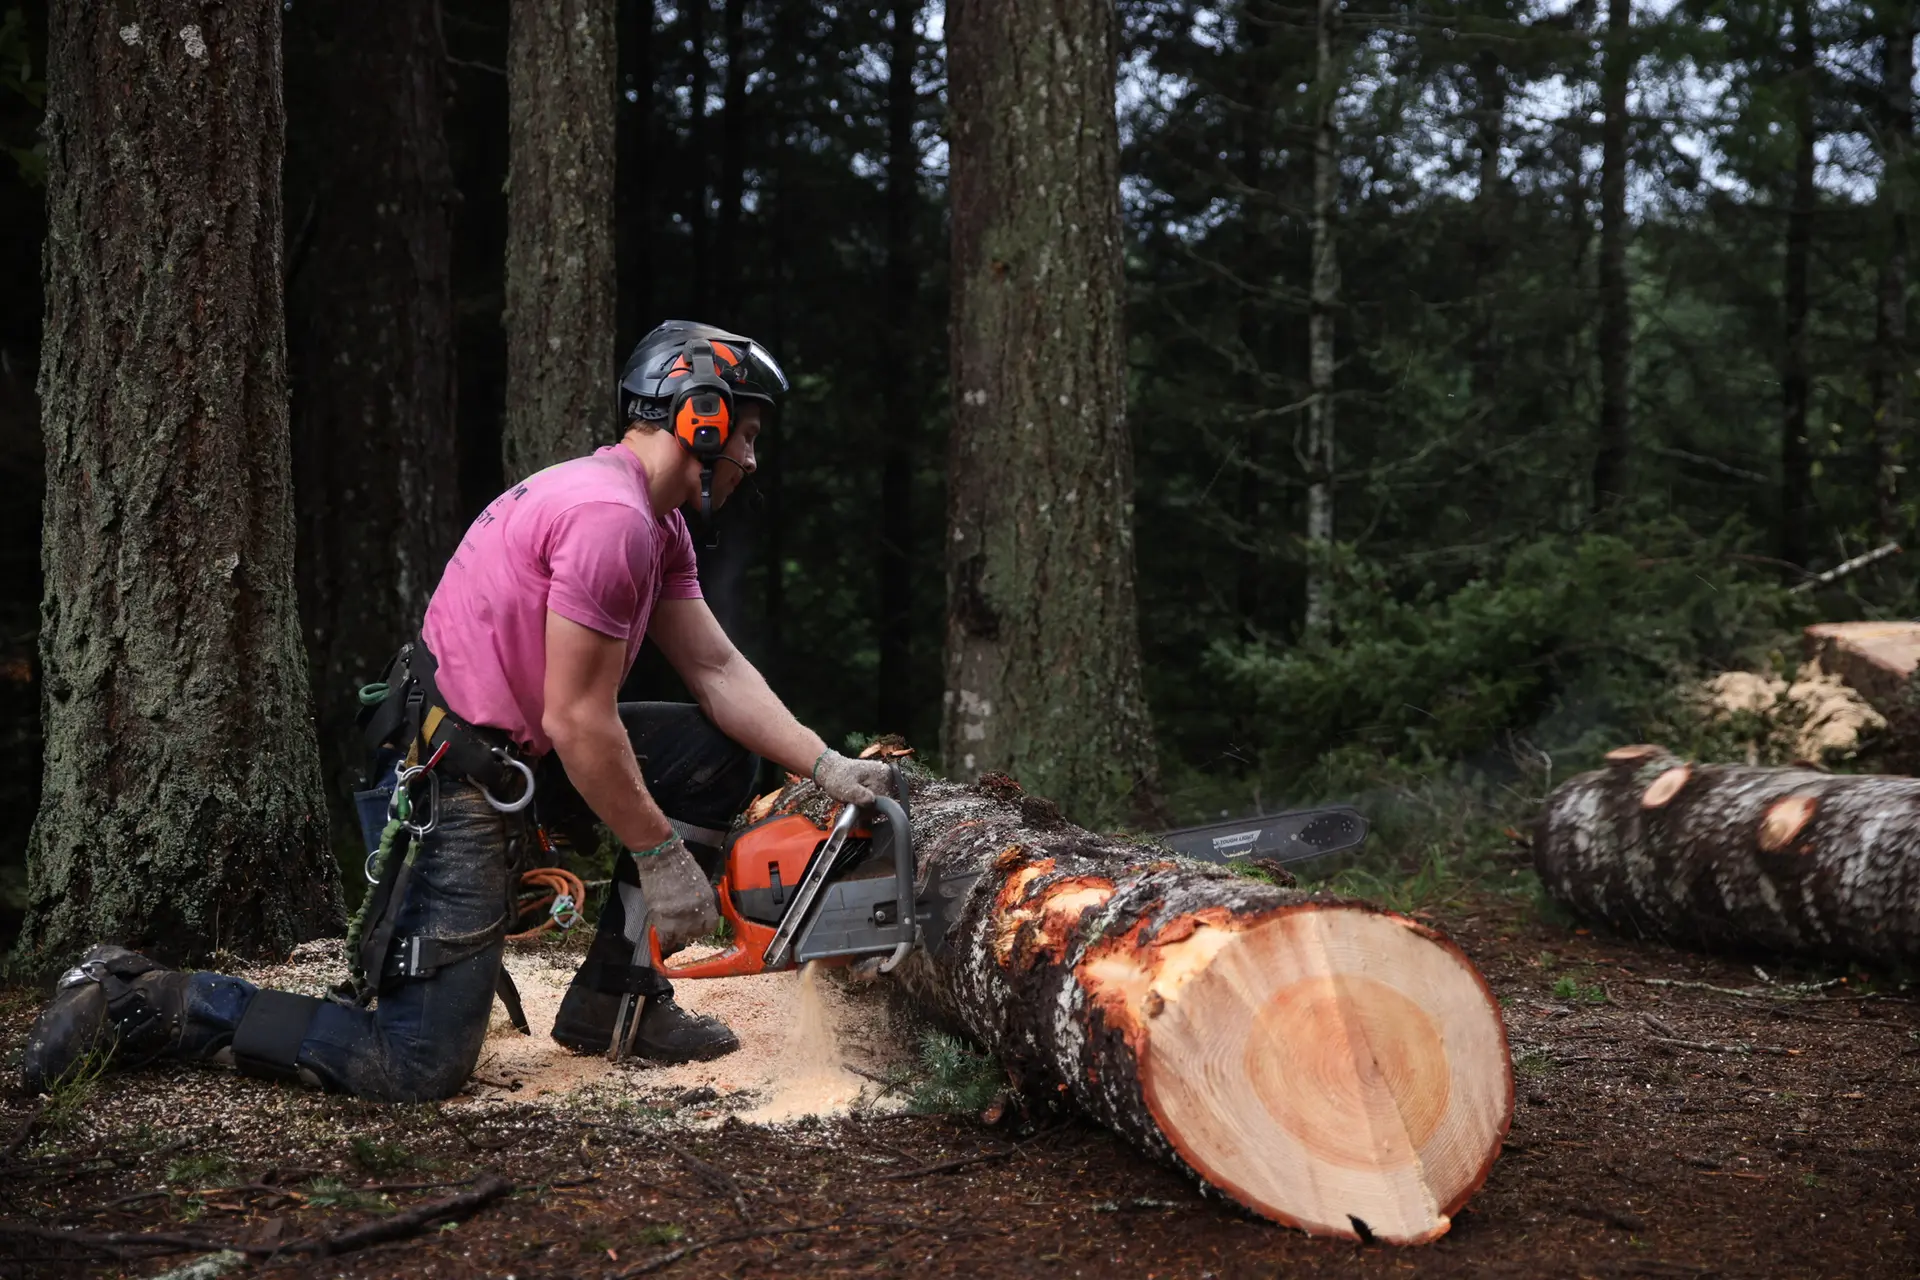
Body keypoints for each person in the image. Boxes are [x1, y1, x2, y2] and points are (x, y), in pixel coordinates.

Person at [20, 321, 895, 1102]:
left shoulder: (651, 521)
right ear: (697, 415)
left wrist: (823, 765)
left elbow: (714, 669)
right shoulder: (609, 522)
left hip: (515, 758)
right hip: (450, 780)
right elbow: (581, 722)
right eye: (743, 432)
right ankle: (148, 1001)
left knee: (707, 752)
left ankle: (616, 1001)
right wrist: (660, 856)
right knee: (413, 1062)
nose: (749, 456)